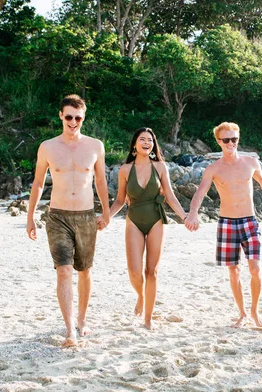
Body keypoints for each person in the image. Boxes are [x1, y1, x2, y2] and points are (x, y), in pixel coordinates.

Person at [26, 94, 110, 348]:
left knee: (84, 271)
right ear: (61, 116)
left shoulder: (95, 146)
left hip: (86, 215)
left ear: (83, 118)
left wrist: (106, 212)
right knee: (63, 272)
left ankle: (82, 320)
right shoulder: (48, 147)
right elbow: (39, 182)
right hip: (58, 216)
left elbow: (100, 181)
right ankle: (69, 329)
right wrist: (30, 217)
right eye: (69, 117)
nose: (74, 122)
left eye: (78, 118)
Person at [184, 122, 262, 328]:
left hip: (250, 221)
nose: (231, 143)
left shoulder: (250, 163)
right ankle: (242, 313)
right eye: (226, 140)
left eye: (234, 139)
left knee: (255, 269)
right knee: (234, 271)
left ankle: (255, 312)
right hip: (227, 223)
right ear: (218, 141)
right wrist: (193, 214)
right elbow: (200, 192)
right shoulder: (213, 169)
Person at [103, 127, 187, 329]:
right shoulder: (124, 170)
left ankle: (148, 318)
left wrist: (185, 216)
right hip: (133, 220)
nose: (146, 142)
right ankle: (141, 296)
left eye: (150, 139)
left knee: (152, 272)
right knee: (134, 272)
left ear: (153, 144)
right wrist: (105, 218)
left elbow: (170, 196)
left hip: (156, 219)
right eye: (142, 139)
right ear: (134, 144)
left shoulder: (160, 167)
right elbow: (120, 201)